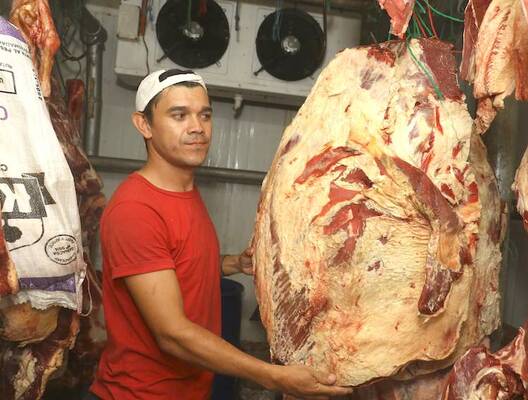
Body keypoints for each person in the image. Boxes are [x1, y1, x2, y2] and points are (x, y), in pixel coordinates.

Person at [88, 69, 352, 400]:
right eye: (179, 115)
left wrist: (230, 263)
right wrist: (275, 377)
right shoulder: (137, 209)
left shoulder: (184, 192)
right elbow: (172, 334)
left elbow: (176, 266)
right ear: (144, 125)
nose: (197, 127)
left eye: (205, 115)